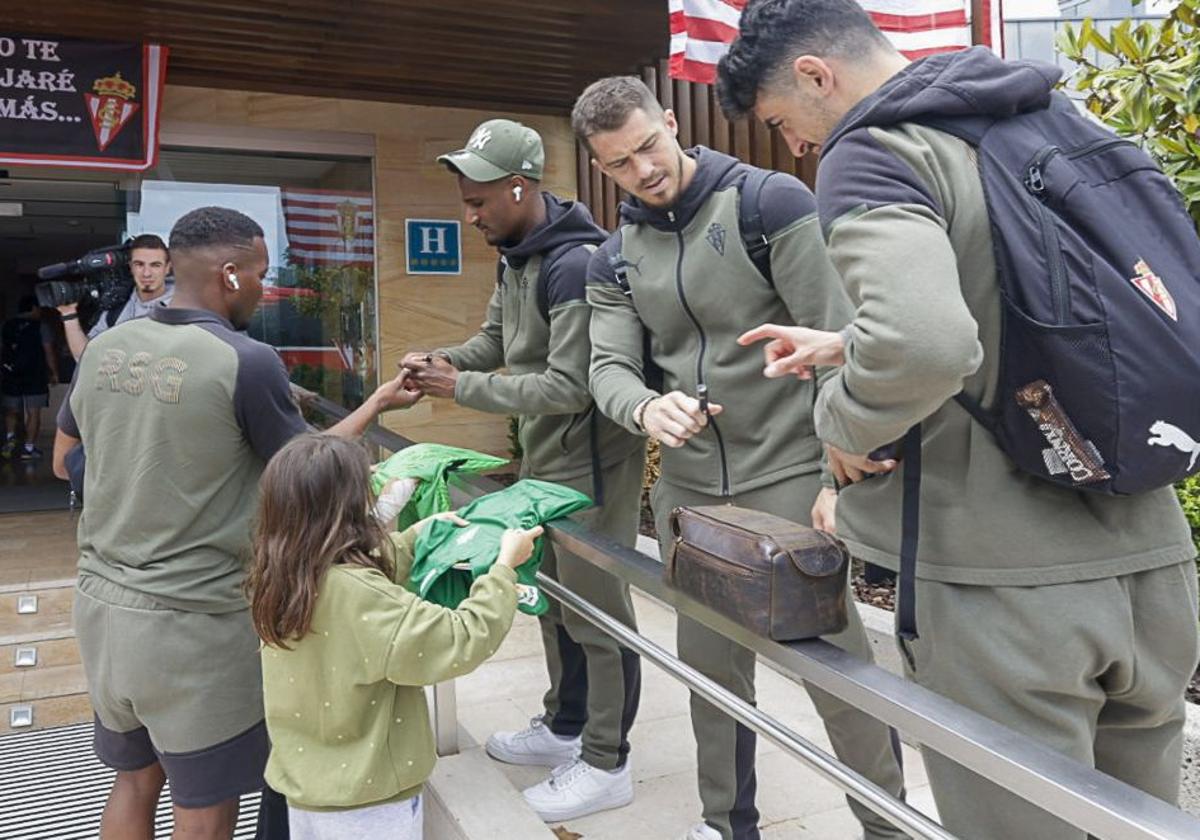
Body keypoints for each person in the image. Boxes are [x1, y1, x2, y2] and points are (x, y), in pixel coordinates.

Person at [715, 2, 1200, 838]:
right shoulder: (1050, 121)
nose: (796, 146)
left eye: (783, 123)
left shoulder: (877, 151)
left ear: (815, 75)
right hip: (1151, 564)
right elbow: (1027, 315)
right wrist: (848, 343)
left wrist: (842, 419)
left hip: (1002, 589)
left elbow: (930, 344)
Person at [572, 77, 907, 840]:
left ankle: (891, 827)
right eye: (620, 164)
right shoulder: (614, 258)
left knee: (836, 672)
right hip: (690, 491)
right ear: (599, 166)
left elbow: (837, 336)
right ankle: (726, 825)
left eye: (649, 147)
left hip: (787, 472)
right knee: (708, 670)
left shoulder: (769, 204)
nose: (644, 170)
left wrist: (834, 477)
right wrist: (645, 407)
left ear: (668, 122)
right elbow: (607, 370)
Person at [53, 207, 423, 840]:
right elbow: (309, 474)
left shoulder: (104, 349)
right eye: (259, 273)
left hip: (100, 609)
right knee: (204, 803)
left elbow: (66, 465)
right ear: (229, 275)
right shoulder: (245, 362)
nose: (265, 287)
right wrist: (379, 402)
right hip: (192, 626)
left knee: (136, 779)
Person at [401, 118, 647, 822]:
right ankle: (564, 725)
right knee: (551, 601)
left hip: (591, 463)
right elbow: (497, 341)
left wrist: (463, 390)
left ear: (520, 186)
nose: (469, 215)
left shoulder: (575, 264)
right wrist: (442, 359)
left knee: (599, 614)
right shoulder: (516, 252)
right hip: (545, 456)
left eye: (479, 201)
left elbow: (570, 386)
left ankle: (607, 761)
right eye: (466, 201)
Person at [247, 432, 541, 840]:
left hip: (305, 789)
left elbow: (355, 580)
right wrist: (505, 569)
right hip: (367, 806)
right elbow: (459, 639)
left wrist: (418, 535)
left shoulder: (279, 575)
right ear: (349, 509)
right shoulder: (361, 597)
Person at [58, 233, 174, 360]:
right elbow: (85, 358)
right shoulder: (117, 309)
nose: (146, 273)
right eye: (139, 264)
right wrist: (69, 314)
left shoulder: (185, 306)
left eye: (155, 265)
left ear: (167, 268)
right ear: (130, 267)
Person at [1, 295, 57, 460]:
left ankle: (10, 439)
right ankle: (29, 447)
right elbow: (48, 352)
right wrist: (54, 372)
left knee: (11, 410)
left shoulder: (6, 325)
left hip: (11, 374)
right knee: (33, 412)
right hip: (35, 375)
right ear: (33, 308)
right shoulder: (41, 326)